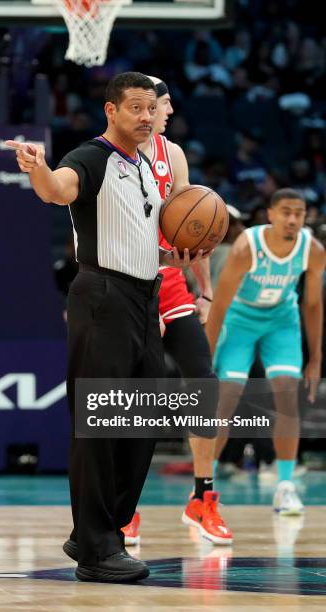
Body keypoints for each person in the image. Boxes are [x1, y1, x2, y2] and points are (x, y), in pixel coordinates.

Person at [6, 72, 193, 583]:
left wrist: (185, 247)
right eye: (135, 107)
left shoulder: (148, 164)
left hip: (144, 296)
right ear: (111, 110)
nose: (146, 116)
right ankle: (97, 550)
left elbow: (156, 234)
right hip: (102, 296)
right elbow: (57, 191)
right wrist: (40, 171)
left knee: (146, 419)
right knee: (100, 426)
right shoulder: (90, 157)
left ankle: (95, 528)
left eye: (151, 108)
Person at [121, 77, 233, 547]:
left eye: (160, 104)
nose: (159, 111)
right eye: (153, 104)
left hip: (170, 282)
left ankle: (202, 498)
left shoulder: (175, 155)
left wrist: (204, 291)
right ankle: (123, 507)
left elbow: (193, 228)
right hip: (126, 283)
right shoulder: (113, 155)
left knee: (203, 382)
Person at [206, 188, 325, 515]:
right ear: (270, 214)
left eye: (298, 213)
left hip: (281, 321)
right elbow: (219, 305)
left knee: (288, 397)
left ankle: (285, 486)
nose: (292, 219)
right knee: (226, 396)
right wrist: (206, 359)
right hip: (240, 317)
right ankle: (205, 486)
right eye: (285, 212)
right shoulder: (247, 248)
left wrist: (315, 359)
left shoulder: (313, 250)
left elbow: (312, 305)